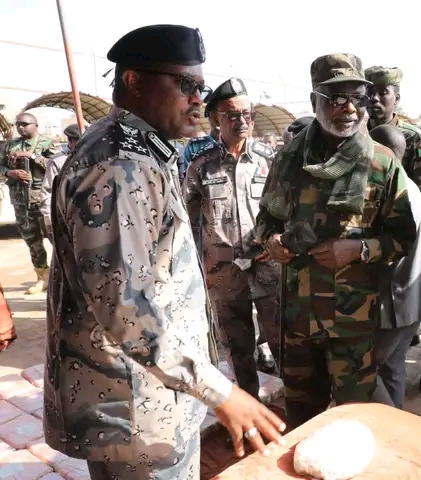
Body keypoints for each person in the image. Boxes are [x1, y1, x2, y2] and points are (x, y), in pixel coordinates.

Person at [45, 24, 285, 479]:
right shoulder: (119, 167)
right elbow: (124, 307)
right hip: (135, 407)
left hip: (147, 394)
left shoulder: (136, 150)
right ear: (134, 81)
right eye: (186, 84)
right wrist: (220, 392)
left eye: (201, 88)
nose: (197, 99)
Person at [256, 53, 416, 428]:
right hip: (298, 321)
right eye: (336, 98)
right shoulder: (289, 159)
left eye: (357, 97)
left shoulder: (381, 163)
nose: (349, 108)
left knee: (355, 423)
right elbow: (265, 219)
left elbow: (403, 238)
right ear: (315, 101)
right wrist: (271, 240)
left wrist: (358, 250)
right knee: (302, 421)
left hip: (353, 324)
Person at [184, 77, 281, 391]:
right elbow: (187, 223)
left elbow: (289, 211)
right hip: (224, 273)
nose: (242, 121)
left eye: (246, 114)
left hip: (269, 268)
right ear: (216, 120)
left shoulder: (270, 161)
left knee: (283, 343)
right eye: (232, 115)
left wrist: (278, 241)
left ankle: (293, 409)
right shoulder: (201, 167)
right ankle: (249, 407)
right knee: (238, 350)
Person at [369, 124, 421, 409]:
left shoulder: (391, 191)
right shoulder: (409, 186)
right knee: (392, 368)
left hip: (392, 303)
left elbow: (387, 251)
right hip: (410, 300)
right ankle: (396, 421)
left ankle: (390, 425)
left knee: (363, 371)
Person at [0, 112, 58, 294]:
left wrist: (31, 156)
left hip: (44, 201)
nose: (21, 127)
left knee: (56, 239)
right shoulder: (10, 145)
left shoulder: (48, 143)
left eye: (25, 124)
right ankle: (43, 277)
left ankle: (61, 277)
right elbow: (1, 166)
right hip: (21, 202)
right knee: (32, 241)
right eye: (18, 124)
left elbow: (57, 165)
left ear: (35, 125)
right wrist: (10, 173)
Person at [40, 123, 81, 238]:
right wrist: (48, 217)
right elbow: (48, 191)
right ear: (70, 140)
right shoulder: (58, 161)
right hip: (65, 216)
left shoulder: (96, 157)